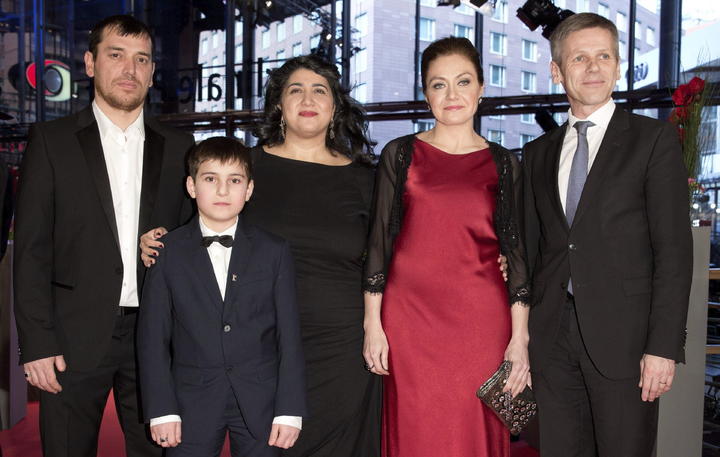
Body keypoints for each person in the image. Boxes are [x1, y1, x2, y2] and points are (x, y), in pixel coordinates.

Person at [142, 54, 382, 457]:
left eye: (320, 90)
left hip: (342, 347)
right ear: (279, 105)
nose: (308, 98)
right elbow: (190, 233)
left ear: (335, 105)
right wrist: (151, 239)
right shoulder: (244, 168)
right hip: (256, 347)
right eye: (295, 90)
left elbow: (387, 257)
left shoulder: (365, 179)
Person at [13, 15, 194, 457]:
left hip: (155, 337)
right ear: (91, 63)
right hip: (71, 337)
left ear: (152, 71)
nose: (130, 69)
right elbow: (32, 250)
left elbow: (195, 238)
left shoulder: (180, 147)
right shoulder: (51, 141)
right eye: (116, 55)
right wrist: (36, 343)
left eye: (141, 59)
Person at [522, 13, 692, 457]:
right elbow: (533, 250)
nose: (593, 67)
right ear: (557, 71)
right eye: (579, 58)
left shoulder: (652, 141)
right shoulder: (537, 154)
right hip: (552, 341)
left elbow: (673, 254)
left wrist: (663, 348)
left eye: (604, 56)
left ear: (617, 67)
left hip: (627, 343)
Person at [362, 37, 531, 457]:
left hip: (481, 321)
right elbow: (378, 243)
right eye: (439, 84)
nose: (452, 94)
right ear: (426, 94)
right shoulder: (400, 155)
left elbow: (517, 255)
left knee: (474, 428)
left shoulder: (504, 163)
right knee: (416, 429)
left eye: (463, 81)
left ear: (481, 88)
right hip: (409, 320)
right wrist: (372, 324)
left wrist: (520, 339)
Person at [136, 137, 307, 457]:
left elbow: (290, 334)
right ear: (192, 186)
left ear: (249, 189)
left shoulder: (274, 250)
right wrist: (161, 409)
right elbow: (152, 337)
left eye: (235, 180)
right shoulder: (167, 251)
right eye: (211, 179)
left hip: (263, 401)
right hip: (189, 402)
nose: (223, 190)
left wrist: (289, 409)